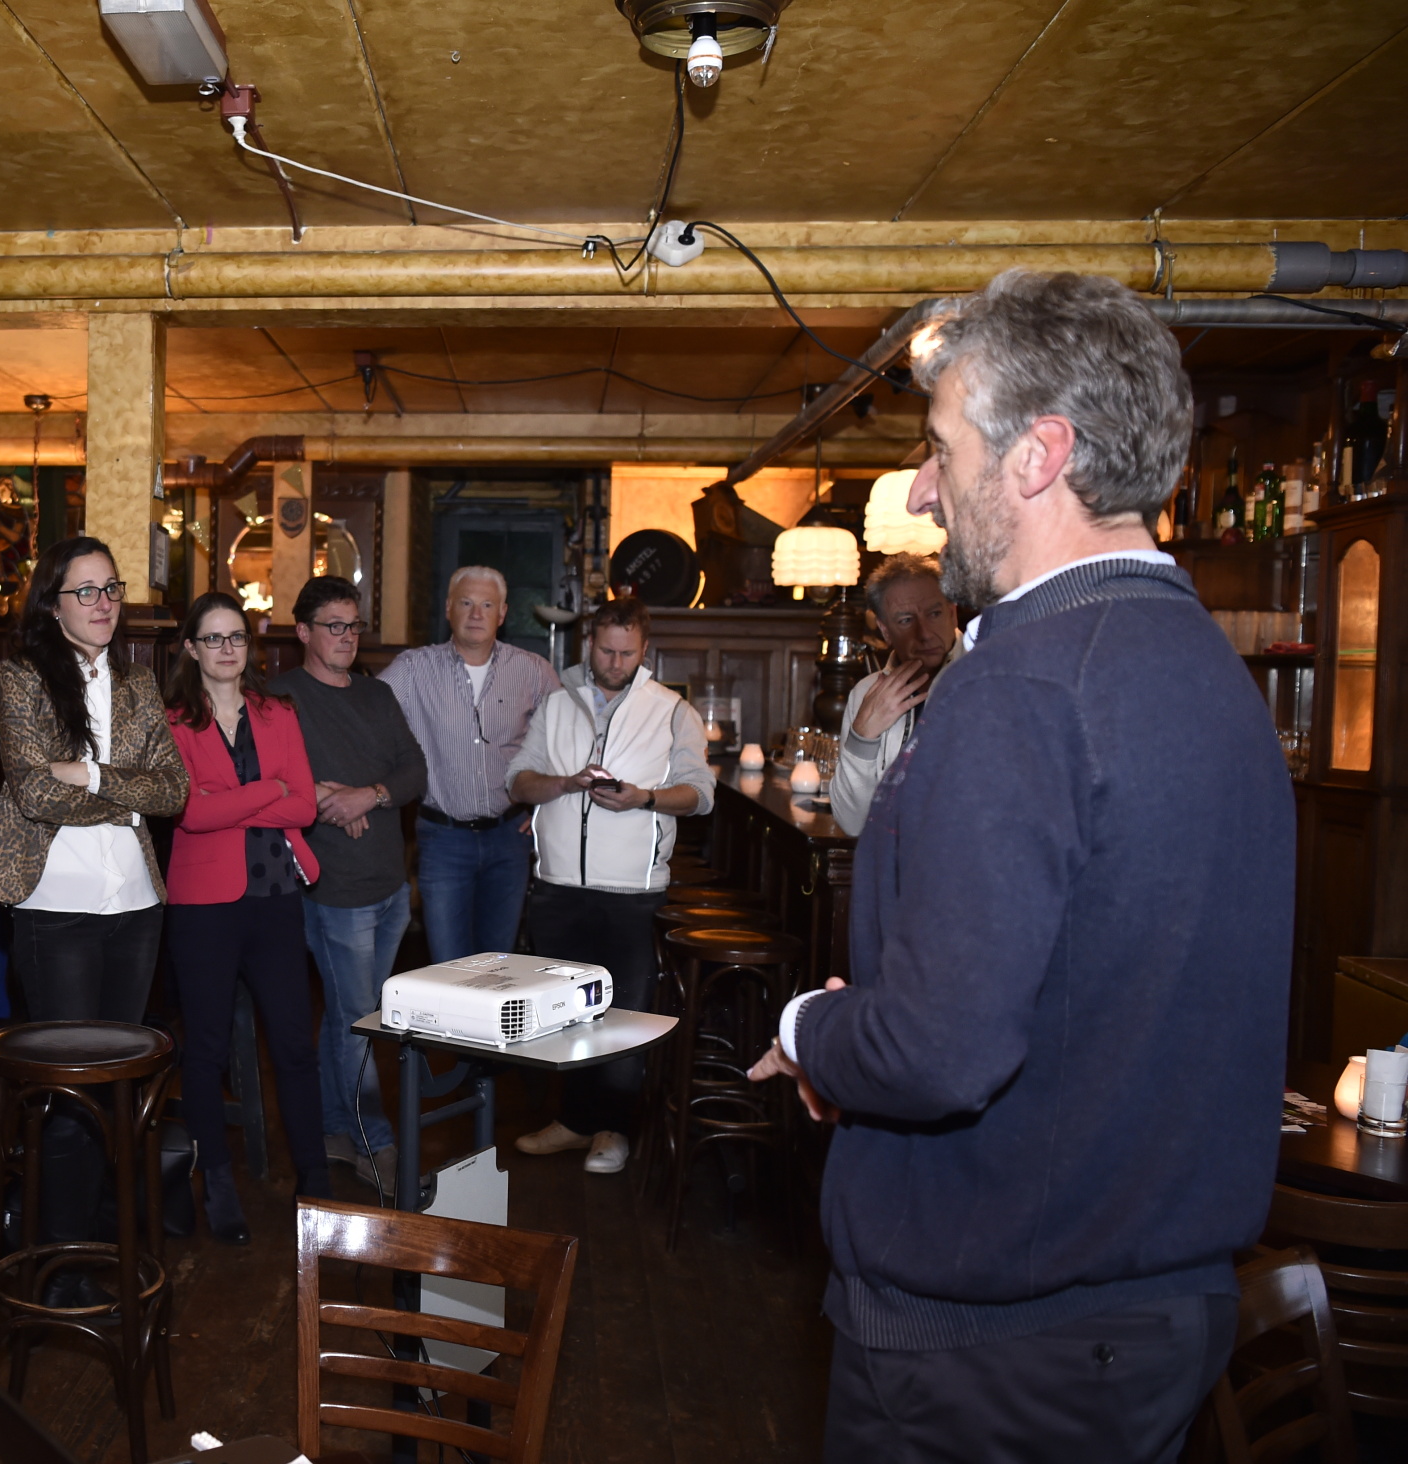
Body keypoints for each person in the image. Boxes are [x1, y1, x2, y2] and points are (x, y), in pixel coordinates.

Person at [748, 271, 1293, 1460]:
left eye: (942, 448)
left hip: (990, 1342)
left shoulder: (1021, 685)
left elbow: (938, 1054)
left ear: (1040, 455)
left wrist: (811, 1029)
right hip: (1147, 1318)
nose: (920, 489)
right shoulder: (1207, 668)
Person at [0, 535, 186, 1305]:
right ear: (52, 604)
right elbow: (33, 793)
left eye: (111, 589)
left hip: (136, 906)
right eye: (85, 591)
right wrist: (125, 796)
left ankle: (101, 1240)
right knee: (68, 1093)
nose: (103, 603)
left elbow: (173, 791)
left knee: (118, 1086)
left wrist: (91, 773)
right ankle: (56, 1261)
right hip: (53, 907)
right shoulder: (22, 677)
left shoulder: (138, 682)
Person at [507, 595, 715, 1175]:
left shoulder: (672, 710)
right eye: (606, 651)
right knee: (566, 1012)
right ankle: (574, 1121)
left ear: (644, 650)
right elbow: (518, 783)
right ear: (589, 644)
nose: (616, 662)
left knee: (621, 1014)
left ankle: (613, 1129)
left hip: (632, 891)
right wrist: (564, 783)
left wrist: (644, 798)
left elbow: (700, 794)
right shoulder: (556, 704)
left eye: (628, 653)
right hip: (557, 885)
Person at [163, 592, 333, 1245]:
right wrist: (268, 791)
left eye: (236, 636)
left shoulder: (277, 712)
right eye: (213, 638)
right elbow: (189, 812)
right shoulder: (174, 723)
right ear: (191, 648)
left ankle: (314, 1179)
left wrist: (230, 799)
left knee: (293, 1045)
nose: (227, 648)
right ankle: (218, 1185)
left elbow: (305, 808)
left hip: (276, 897)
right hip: (203, 906)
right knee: (206, 1050)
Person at [268, 577, 427, 1195]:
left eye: (353, 625)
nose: (346, 636)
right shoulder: (280, 698)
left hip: (390, 885)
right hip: (333, 890)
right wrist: (326, 796)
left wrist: (371, 794)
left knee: (347, 1017)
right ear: (303, 631)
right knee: (361, 1021)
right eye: (333, 625)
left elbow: (415, 771)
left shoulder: (376, 694)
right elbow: (272, 779)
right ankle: (375, 1141)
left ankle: (334, 1128)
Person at [380, 567, 560, 961]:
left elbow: (567, 743)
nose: (476, 614)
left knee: (498, 964)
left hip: (510, 838)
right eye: (466, 603)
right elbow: (366, 718)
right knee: (449, 966)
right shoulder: (413, 669)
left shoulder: (533, 671)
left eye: (487, 605)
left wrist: (546, 808)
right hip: (443, 840)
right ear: (449, 608)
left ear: (503, 613)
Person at [828, 553, 960, 834]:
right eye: (906, 620)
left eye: (934, 614)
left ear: (952, 613)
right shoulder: (867, 693)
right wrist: (862, 736)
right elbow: (852, 824)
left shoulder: (986, 679)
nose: (924, 633)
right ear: (885, 631)